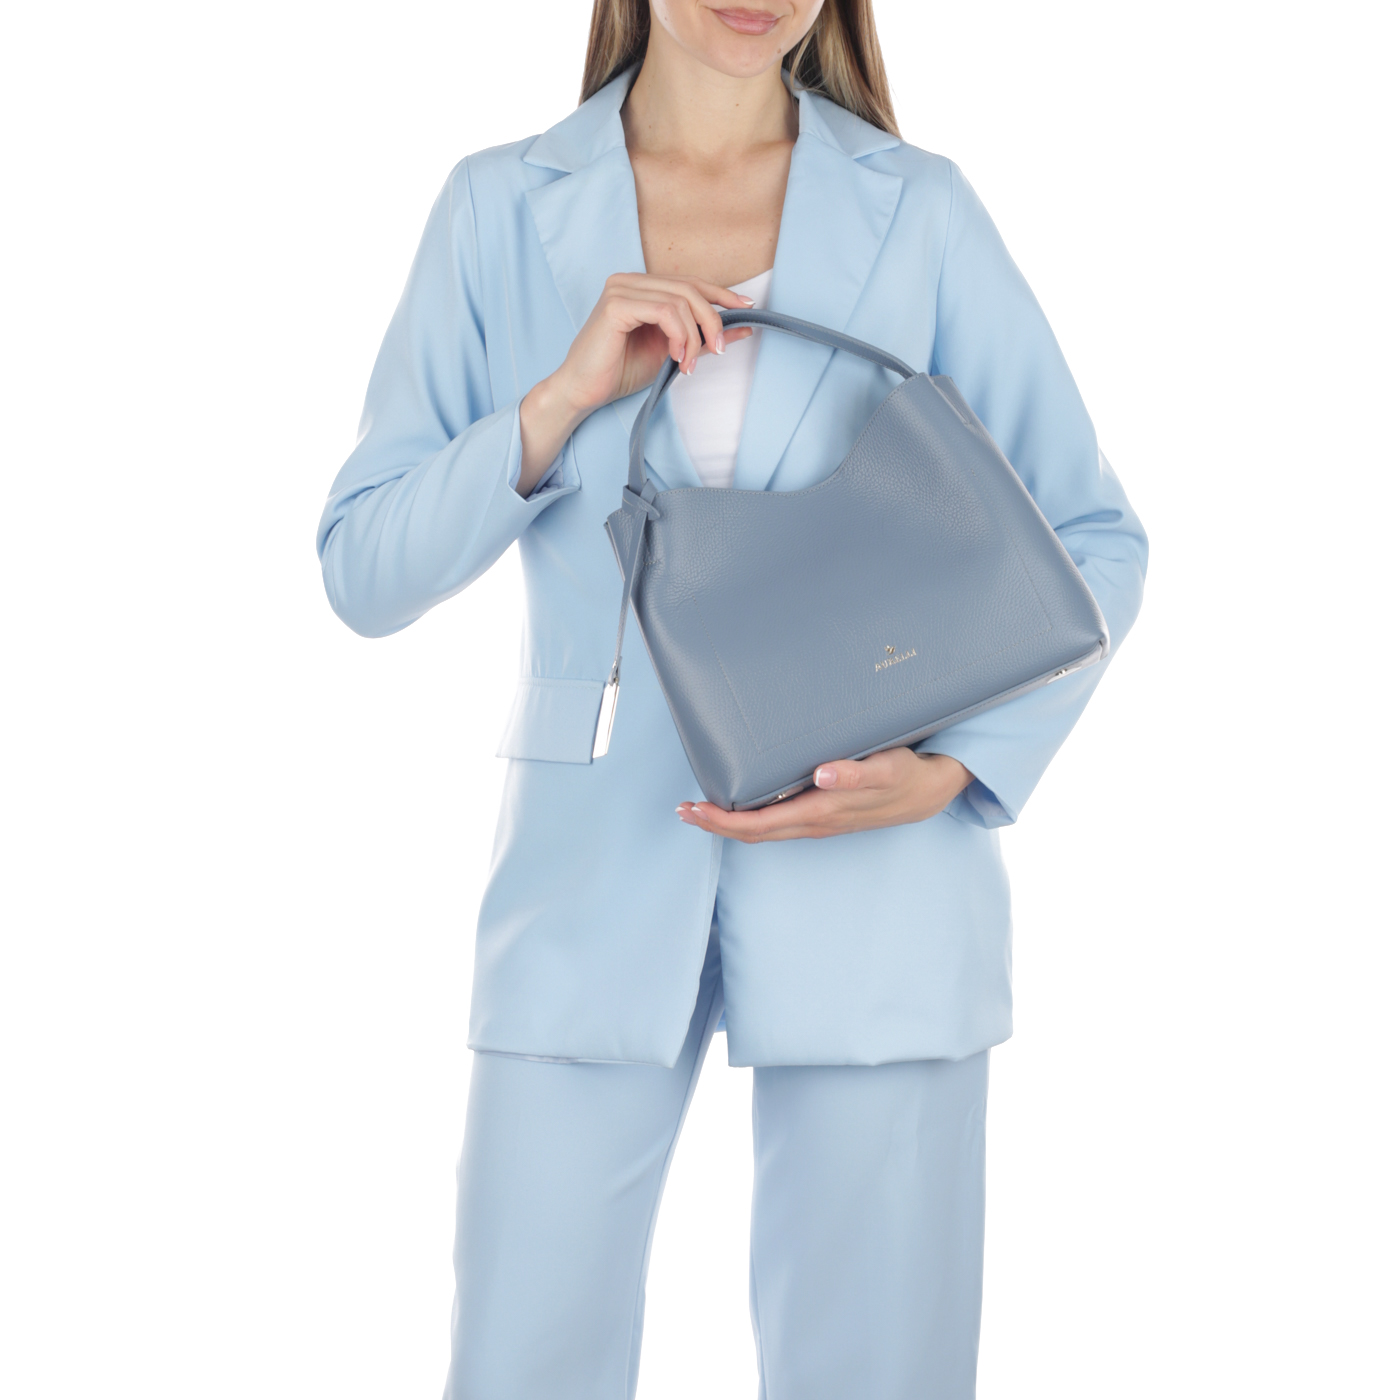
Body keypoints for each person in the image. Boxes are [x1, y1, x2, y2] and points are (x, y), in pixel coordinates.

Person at [316, 1, 1148, 1395]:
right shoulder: (496, 207)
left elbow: (1093, 539)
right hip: (587, 877)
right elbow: (363, 568)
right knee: (523, 1363)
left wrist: (956, 770)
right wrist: (556, 402)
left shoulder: (923, 209)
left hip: (882, 875)